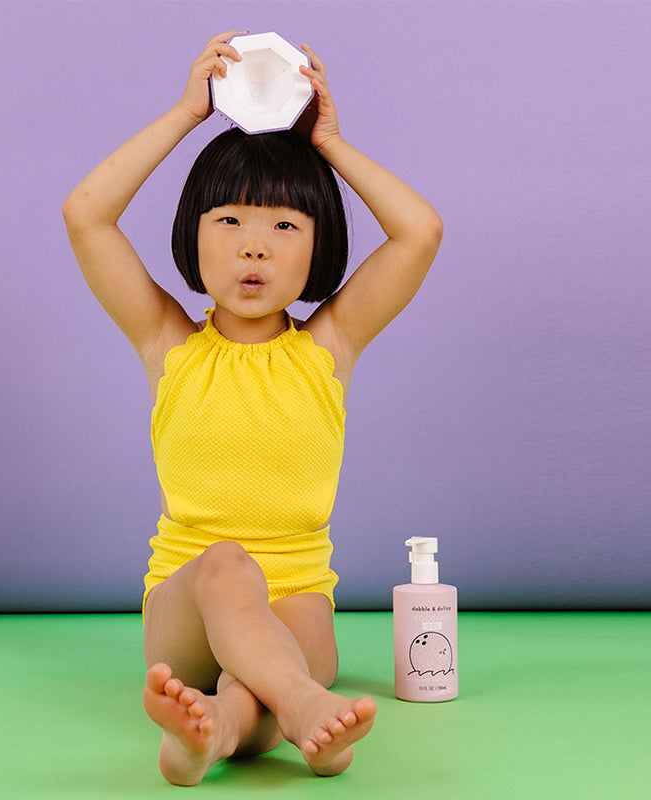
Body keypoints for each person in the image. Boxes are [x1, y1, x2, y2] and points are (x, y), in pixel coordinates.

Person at [62, 31, 443, 786]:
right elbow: (86, 215)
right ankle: (303, 707)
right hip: (186, 610)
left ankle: (209, 737)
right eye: (230, 222)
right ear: (194, 236)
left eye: (284, 227)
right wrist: (185, 115)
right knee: (229, 567)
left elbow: (420, 230)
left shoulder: (327, 346)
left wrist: (327, 140)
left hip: (300, 604)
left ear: (317, 247)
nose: (254, 249)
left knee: (258, 674)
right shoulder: (167, 342)